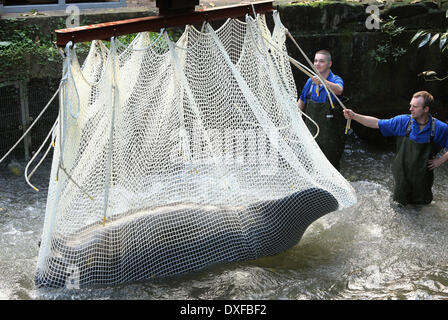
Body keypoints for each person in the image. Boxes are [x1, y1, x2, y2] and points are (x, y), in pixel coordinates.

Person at [343, 91, 448, 206]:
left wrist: (441, 160)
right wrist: (354, 116)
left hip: (423, 178)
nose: (410, 109)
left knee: (421, 207)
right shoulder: (403, 121)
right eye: (410, 105)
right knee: (400, 207)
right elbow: (376, 123)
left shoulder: (439, 128)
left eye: (415, 106)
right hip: (402, 174)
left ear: (426, 109)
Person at [298, 49, 346, 170]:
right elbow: (301, 103)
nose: (317, 64)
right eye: (315, 61)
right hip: (312, 135)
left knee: (331, 167)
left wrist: (323, 81)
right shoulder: (310, 82)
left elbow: (339, 90)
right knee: (310, 165)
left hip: (331, 137)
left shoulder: (336, 79)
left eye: (321, 61)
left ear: (329, 64)